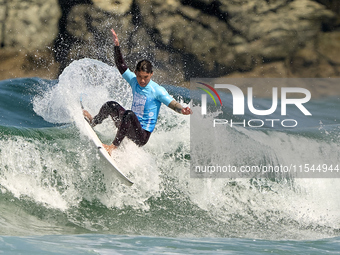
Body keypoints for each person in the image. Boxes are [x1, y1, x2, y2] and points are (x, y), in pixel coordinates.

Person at [83, 28, 192, 155]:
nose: (142, 80)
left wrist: (182, 109)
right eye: (140, 76)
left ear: (151, 74)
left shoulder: (157, 90)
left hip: (141, 136)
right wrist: (117, 46)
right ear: (136, 73)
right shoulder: (134, 81)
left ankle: (113, 147)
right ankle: (93, 121)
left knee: (129, 114)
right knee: (111, 105)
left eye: (146, 77)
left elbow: (173, 104)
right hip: (129, 126)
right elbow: (121, 65)